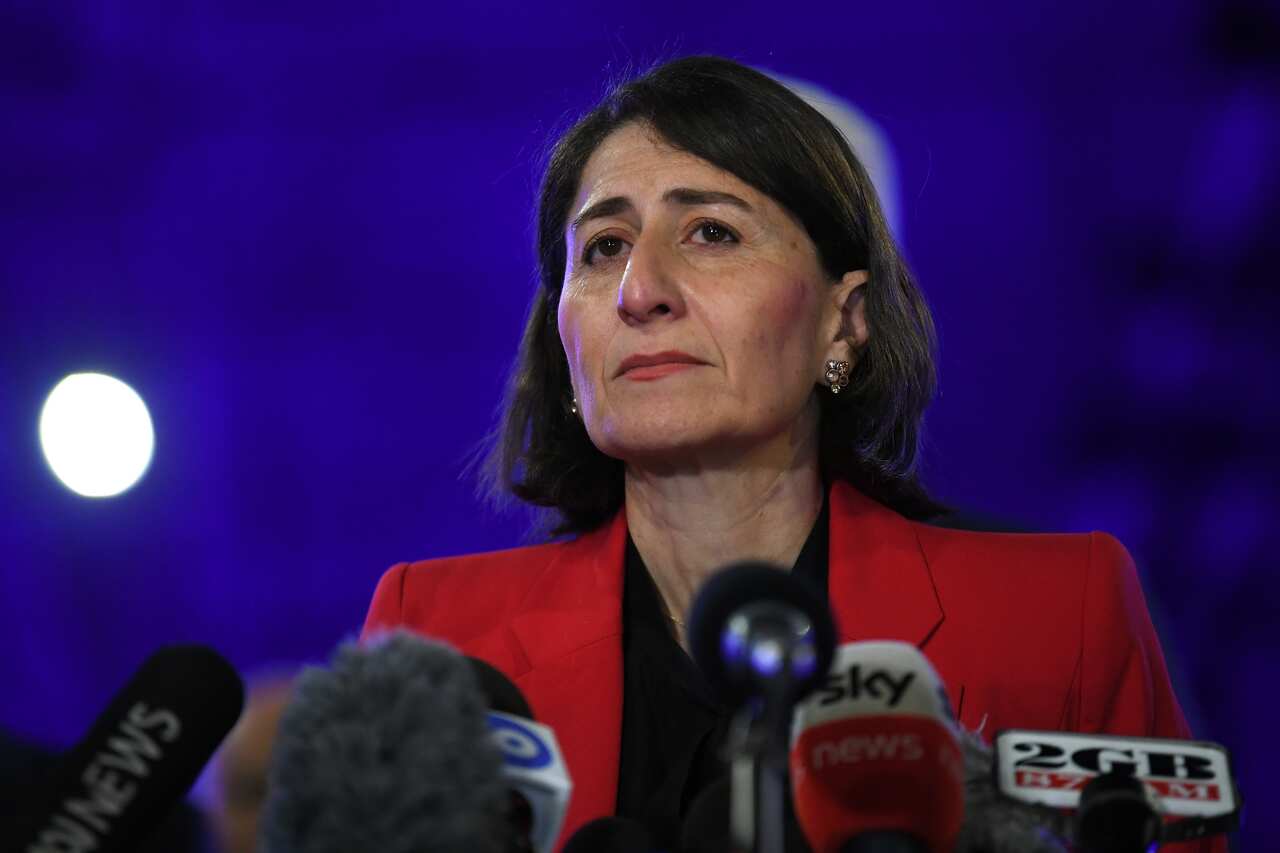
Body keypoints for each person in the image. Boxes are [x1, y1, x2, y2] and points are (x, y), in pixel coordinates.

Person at [363, 56, 1212, 850]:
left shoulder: (1058, 616)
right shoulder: (437, 636)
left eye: (711, 233)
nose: (638, 290)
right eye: (604, 247)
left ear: (844, 321)